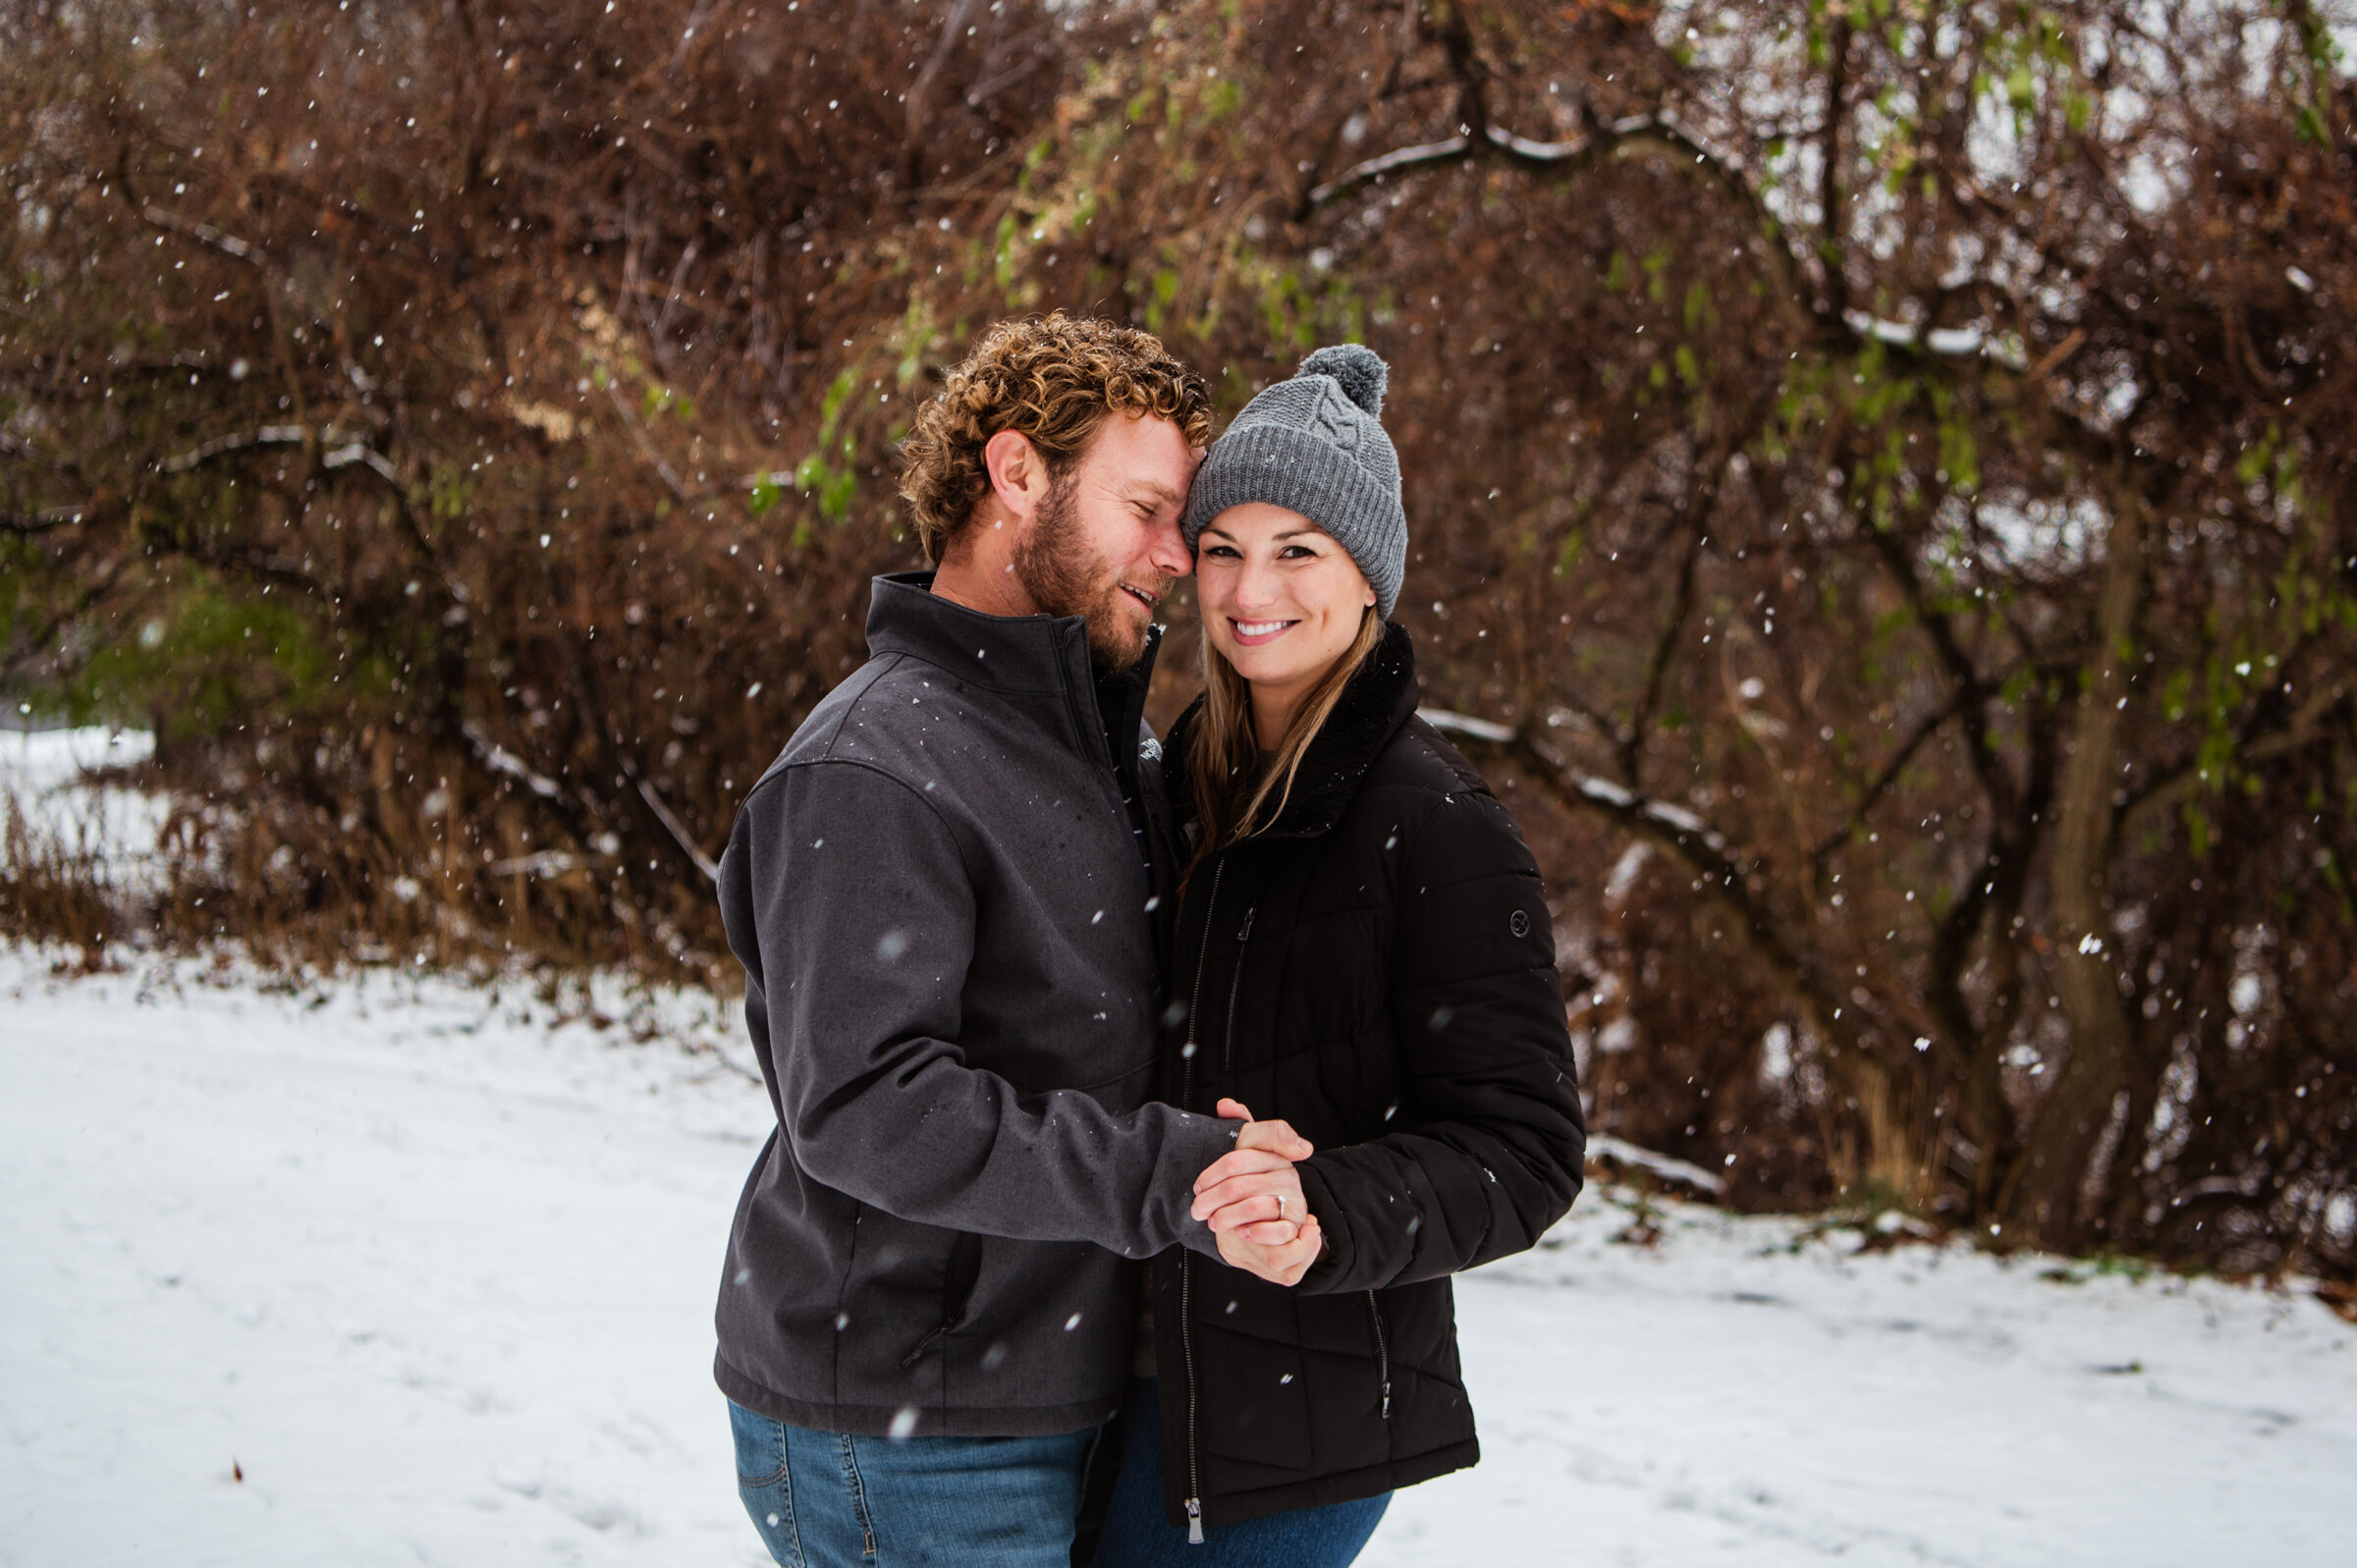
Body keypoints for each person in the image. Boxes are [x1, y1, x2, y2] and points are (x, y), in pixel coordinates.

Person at [711, 314, 1320, 1568]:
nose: (1174, 559)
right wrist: (1182, 1176)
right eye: (1146, 511)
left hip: (1057, 1386)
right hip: (911, 1421)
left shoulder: (1101, 745)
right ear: (1016, 473)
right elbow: (873, 1107)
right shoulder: (872, 766)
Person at [1092, 345, 1588, 1563]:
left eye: (1298, 549)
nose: (1250, 586)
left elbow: (1526, 1152)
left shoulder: (1437, 824)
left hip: (1285, 1430)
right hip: (1115, 1369)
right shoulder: (1183, 782)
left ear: (1371, 578)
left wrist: (1325, 1209)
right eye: (1223, 548)